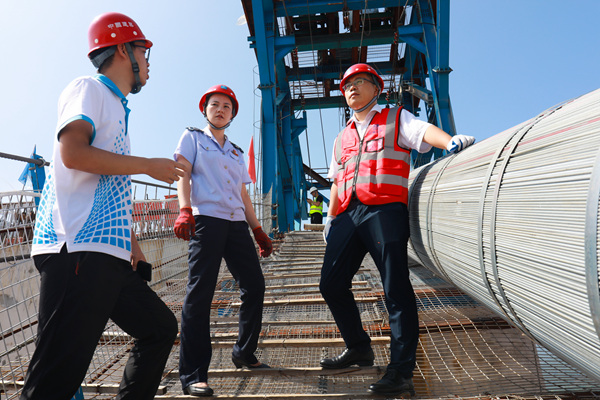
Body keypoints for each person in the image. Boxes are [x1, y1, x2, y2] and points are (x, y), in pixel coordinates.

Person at [22, 12, 185, 400]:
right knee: (53, 380)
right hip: (77, 250)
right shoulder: (89, 89)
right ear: (122, 49)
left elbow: (108, 184)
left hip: (107, 254)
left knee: (159, 328)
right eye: (144, 52)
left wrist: (132, 243)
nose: (148, 63)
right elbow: (74, 153)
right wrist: (148, 165)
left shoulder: (118, 109)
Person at [319, 63, 475, 397]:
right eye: (347, 85)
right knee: (330, 283)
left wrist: (449, 142)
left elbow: (422, 132)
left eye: (361, 83)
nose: (352, 89)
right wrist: (330, 218)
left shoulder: (394, 117)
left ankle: (401, 371)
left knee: (395, 289)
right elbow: (336, 179)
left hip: (384, 209)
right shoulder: (341, 136)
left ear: (377, 90)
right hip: (348, 212)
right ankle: (359, 347)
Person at [173, 84, 273, 397]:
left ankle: (243, 352)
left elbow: (242, 193)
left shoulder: (235, 151)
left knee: (255, 286)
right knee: (200, 294)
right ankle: (193, 375)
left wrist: (257, 229)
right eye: (215, 105)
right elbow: (182, 174)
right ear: (205, 110)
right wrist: (185, 210)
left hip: (235, 226)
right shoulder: (192, 138)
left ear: (232, 114)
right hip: (206, 221)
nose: (220, 110)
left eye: (227, 107)